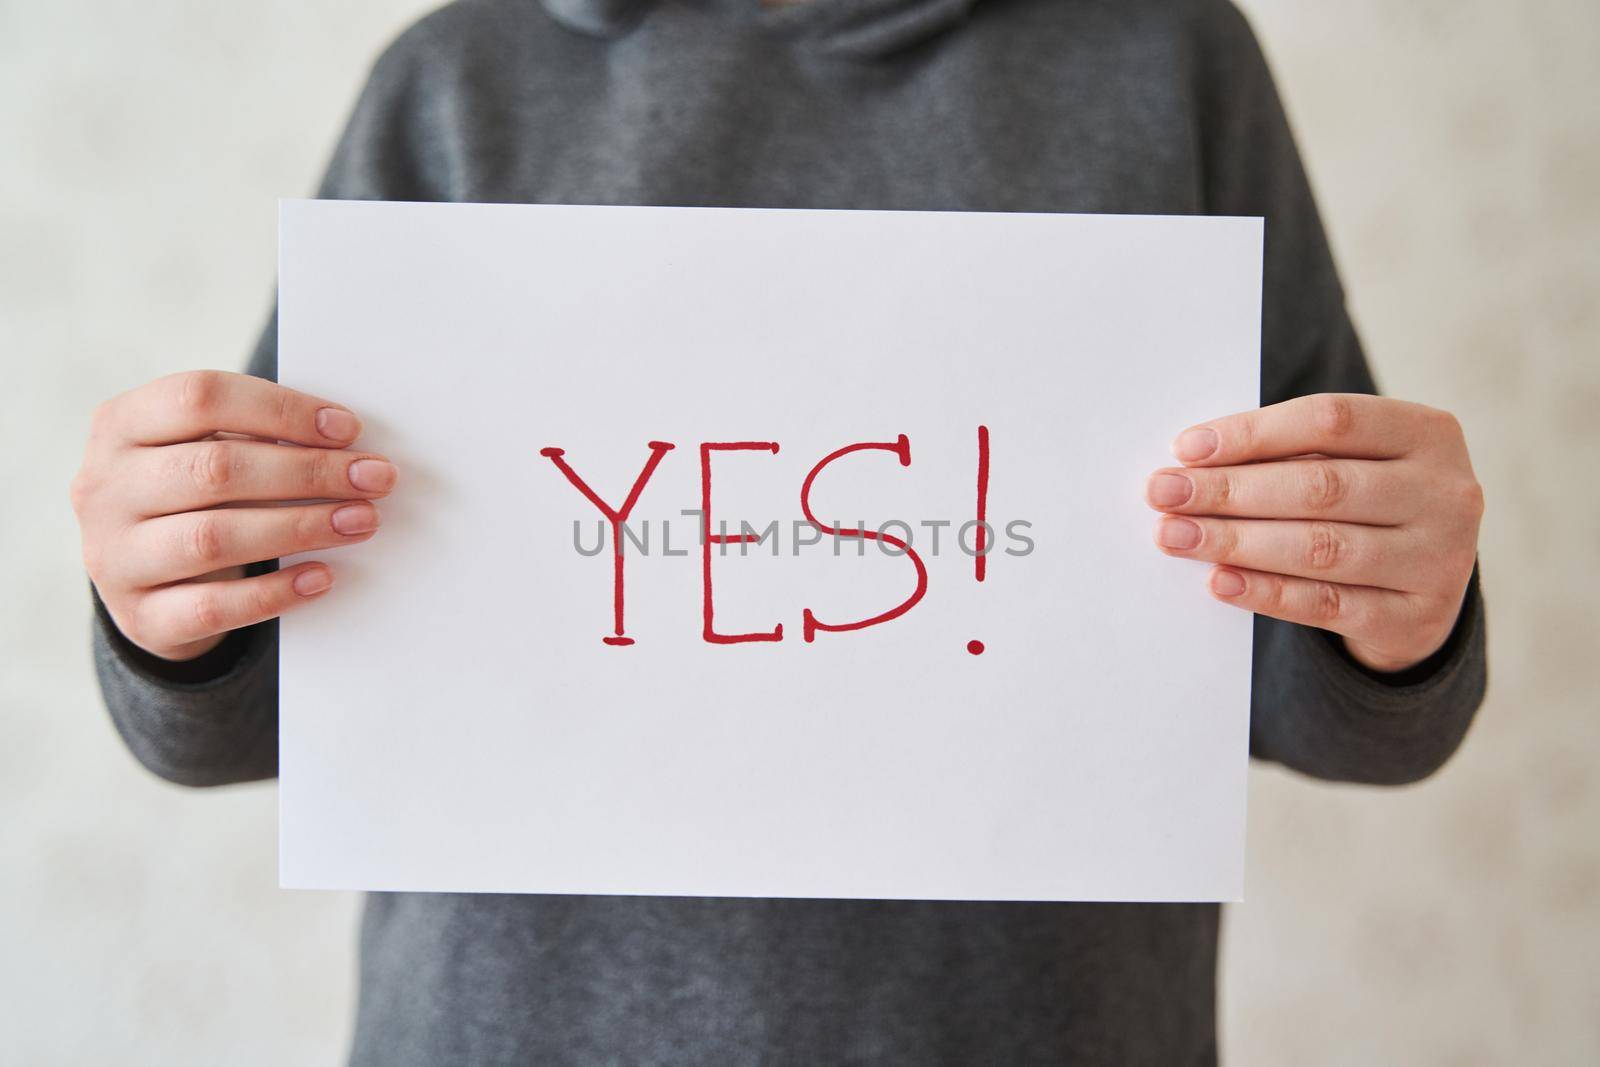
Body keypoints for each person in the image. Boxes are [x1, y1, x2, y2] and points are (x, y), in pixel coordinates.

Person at [70, 1, 1488, 1063]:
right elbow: (267, 716)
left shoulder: (1169, 59)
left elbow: (1325, 700)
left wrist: (1401, 617)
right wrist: (167, 608)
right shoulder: (456, 81)